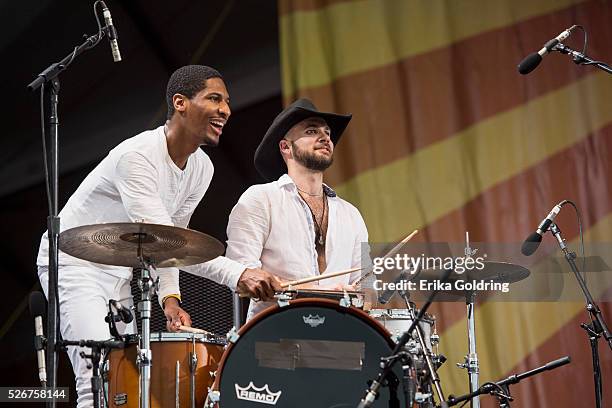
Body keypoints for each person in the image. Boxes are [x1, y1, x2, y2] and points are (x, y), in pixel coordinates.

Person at [36, 65, 280, 408]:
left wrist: (170, 299)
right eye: (214, 98)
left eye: (227, 101)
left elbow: (172, 238)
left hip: (119, 272)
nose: (226, 109)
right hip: (75, 265)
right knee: (96, 381)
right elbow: (168, 241)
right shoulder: (137, 156)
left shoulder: (202, 168)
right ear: (180, 103)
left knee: (125, 385)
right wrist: (238, 274)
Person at [220, 98, 371, 319]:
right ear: (285, 147)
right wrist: (326, 295)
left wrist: (360, 294)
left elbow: (366, 287)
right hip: (276, 338)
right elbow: (242, 278)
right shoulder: (260, 199)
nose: (325, 137)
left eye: (327, 132)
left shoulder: (352, 215)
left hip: (338, 339)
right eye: (311, 131)